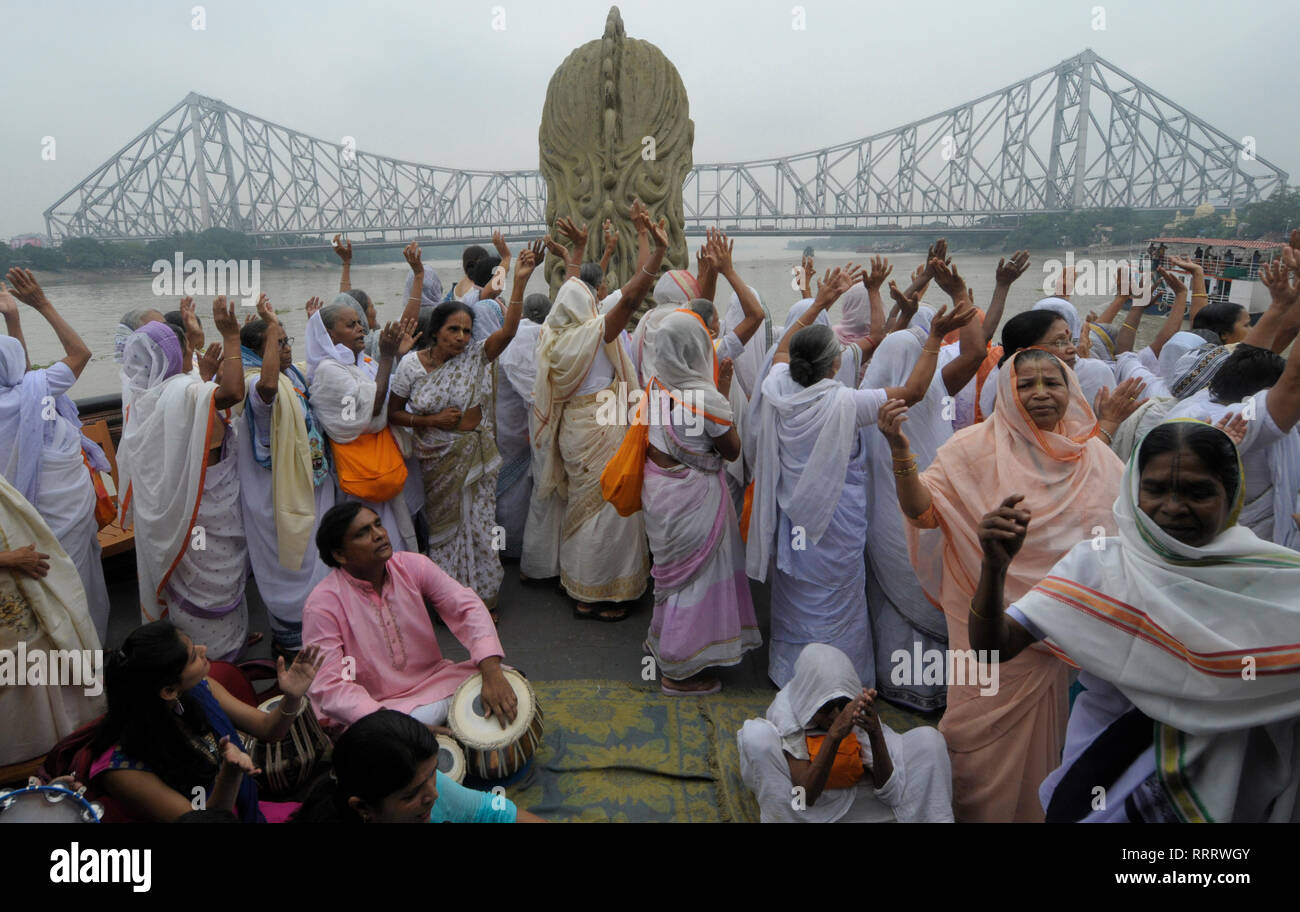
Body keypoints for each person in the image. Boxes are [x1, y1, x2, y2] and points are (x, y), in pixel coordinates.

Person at [969, 421, 1300, 822]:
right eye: (1156, 489)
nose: (1174, 507)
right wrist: (993, 568)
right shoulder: (1099, 565)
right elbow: (992, 649)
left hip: (1227, 786)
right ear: (1133, 491)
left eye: (1198, 492)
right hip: (1107, 773)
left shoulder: (1270, 578)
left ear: (1230, 495)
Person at [877, 347, 1138, 822]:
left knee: (1051, 748)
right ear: (1005, 392)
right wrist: (900, 451)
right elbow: (923, 513)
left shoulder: (1096, 458)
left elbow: (1120, 548)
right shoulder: (970, 448)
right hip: (984, 623)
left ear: (1070, 390)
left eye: (1052, 383)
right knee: (971, 739)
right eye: (1025, 384)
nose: (1040, 393)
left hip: (1058, 639)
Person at [746, 264, 976, 687]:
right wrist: (933, 338)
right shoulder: (846, 403)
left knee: (797, 598)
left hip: (794, 524)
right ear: (835, 366)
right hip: (835, 528)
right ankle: (838, 683)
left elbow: (785, 348)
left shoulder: (777, 384)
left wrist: (819, 301)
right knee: (837, 604)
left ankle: (792, 675)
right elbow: (913, 393)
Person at [523, 202, 667, 619]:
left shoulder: (552, 335)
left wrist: (578, 255)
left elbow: (574, 291)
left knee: (582, 507)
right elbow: (636, 292)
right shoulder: (595, 330)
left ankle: (582, 591)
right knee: (613, 505)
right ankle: (612, 594)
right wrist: (654, 251)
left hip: (573, 427)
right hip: (604, 420)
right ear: (588, 306)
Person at [387, 242, 542, 618]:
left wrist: (520, 282)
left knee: (479, 527)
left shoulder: (477, 357)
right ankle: (446, 600)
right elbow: (392, 413)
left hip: (475, 458)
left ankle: (483, 598)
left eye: (466, 330)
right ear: (436, 332)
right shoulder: (410, 367)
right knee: (443, 531)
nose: (460, 337)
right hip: (436, 460)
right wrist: (427, 422)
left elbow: (506, 332)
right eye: (453, 330)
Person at [302, 503, 517, 730]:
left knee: (510, 683)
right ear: (339, 554)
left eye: (378, 524)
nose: (379, 535)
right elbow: (329, 684)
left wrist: (492, 672)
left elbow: (467, 608)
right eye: (362, 533)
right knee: (404, 728)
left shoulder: (412, 565)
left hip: (436, 683)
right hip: (376, 707)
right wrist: (394, 723)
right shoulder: (322, 605)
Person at [118, 300, 251, 660]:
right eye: (185, 346)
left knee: (192, 576)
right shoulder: (183, 391)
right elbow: (234, 394)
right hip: (206, 512)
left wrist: (204, 376)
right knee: (213, 578)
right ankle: (218, 663)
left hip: (178, 519)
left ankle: (194, 657)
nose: (190, 351)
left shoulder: (143, 399)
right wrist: (233, 337)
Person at [87, 620, 322, 822]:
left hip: (249, 812)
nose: (203, 649)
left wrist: (292, 697)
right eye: (192, 656)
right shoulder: (122, 771)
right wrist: (229, 776)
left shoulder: (197, 688)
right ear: (168, 690)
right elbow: (208, 822)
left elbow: (268, 729)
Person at [641, 310, 760, 694]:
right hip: (694, 497)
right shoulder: (704, 399)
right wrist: (722, 398)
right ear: (696, 349)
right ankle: (680, 671)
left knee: (674, 578)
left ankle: (668, 647)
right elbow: (730, 450)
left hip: (661, 492)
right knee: (695, 579)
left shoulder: (656, 384)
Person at [0, 270, 112, 642]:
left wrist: (12, 320)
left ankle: (72, 657)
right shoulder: (36, 391)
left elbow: (20, 377)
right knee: (78, 584)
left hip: (26, 526)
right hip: (68, 516)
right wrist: (38, 306)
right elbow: (80, 353)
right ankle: (90, 654)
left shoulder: (28, 393)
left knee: (52, 595)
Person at [736, 644, 953, 823]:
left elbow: (891, 792)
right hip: (800, 805)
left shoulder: (856, 708)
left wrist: (875, 734)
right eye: (827, 707)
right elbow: (804, 798)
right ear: (810, 701)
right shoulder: (788, 712)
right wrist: (834, 736)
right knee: (756, 737)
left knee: (929, 741)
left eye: (843, 704)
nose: (836, 715)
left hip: (856, 799)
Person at [236, 297, 335, 656]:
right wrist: (269, 327)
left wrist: (294, 324)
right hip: (275, 492)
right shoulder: (253, 383)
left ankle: (322, 629)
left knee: (315, 556)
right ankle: (292, 639)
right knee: (288, 561)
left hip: (310, 482)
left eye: (288, 341)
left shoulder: (291, 373)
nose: (288, 348)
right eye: (279, 344)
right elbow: (267, 392)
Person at [305, 277, 420, 554]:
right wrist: (388, 356)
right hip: (361, 475)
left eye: (359, 323)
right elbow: (372, 411)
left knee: (395, 538)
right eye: (351, 325)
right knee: (369, 541)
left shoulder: (357, 362)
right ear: (330, 336)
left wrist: (396, 358)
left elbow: (389, 391)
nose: (361, 329)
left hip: (381, 468)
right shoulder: (328, 372)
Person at [0, 472, 104, 767]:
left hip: (18, 583)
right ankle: (22, 759)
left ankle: (60, 740)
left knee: (41, 648)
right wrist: (10, 559)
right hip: (8, 575)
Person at [292, 709, 545, 822]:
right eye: (411, 794)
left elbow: (496, 811)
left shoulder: (432, 789)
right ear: (362, 807)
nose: (433, 794)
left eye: (433, 772)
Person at [495, 292, 551, 563]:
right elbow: (535, 392)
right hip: (531, 421)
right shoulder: (550, 336)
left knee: (508, 491)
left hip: (508, 421)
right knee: (525, 490)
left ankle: (505, 547)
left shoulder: (510, 337)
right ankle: (522, 546)